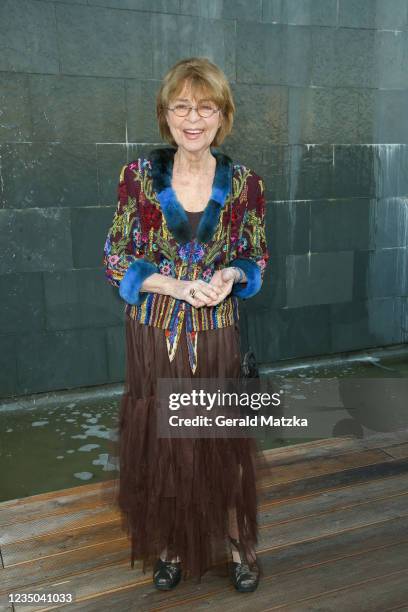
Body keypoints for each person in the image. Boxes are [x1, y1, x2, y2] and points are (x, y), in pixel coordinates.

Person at [103, 56, 270, 593]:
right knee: (163, 441)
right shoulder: (137, 178)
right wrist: (173, 285)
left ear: (223, 116)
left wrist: (230, 274)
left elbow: (257, 257)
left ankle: (238, 541)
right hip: (153, 334)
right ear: (166, 115)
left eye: (205, 107)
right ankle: (172, 543)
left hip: (218, 332)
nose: (192, 118)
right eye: (181, 107)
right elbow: (114, 258)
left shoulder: (244, 184)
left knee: (221, 439)